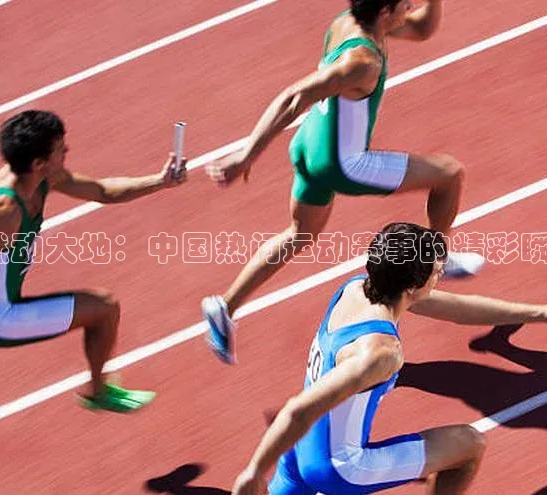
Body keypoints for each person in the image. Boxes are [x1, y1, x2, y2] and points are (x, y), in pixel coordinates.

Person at [202, 0, 484, 364]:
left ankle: (224, 307)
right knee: (449, 174)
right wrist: (247, 154)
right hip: (344, 164)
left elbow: (424, 29)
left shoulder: (350, 23)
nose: (410, 8)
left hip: (310, 145)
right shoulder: (363, 62)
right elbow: (293, 97)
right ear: (385, 12)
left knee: (299, 234)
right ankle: (435, 258)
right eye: (406, 4)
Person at [229, 222, 547, 494]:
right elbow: (296, 409)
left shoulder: (355, 290)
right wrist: (252, 472)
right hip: (341, 465)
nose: (442, 272)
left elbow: (458, 309)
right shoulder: (381, 352)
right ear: (411, 287)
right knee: (470, 444)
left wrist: (542, 313)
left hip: (300, 448)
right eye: (436, 271)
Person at [0, 110, 187, 412]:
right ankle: (97, 392)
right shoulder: (3, 209)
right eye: (60, 149)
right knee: (104, 308)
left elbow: (102, 191)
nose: (67, 151)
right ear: (38, 163)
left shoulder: (43, 177)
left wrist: (160, 181)